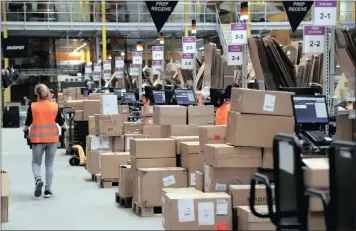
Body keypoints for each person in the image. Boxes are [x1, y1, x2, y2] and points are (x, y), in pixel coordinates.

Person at [24, 84, 68, 198]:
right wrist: (65, 128)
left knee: (36, 163)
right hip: (52, 139)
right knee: (49, 164)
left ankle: (38, 180)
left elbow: (28, 123)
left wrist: (25, 129)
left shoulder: (33, 106)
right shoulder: (54, 106)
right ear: (47, 93)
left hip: (37, 139)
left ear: (36, 94)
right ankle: (48, 190)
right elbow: (61, 122)